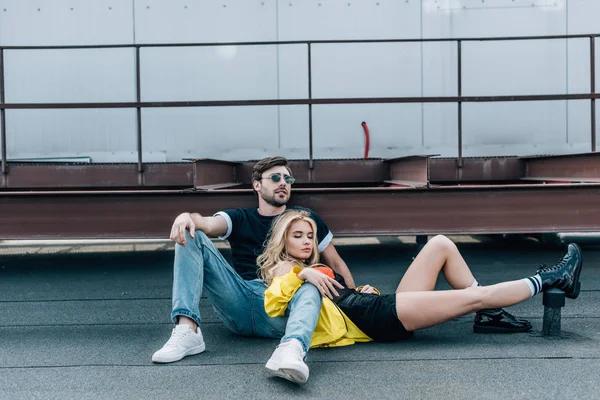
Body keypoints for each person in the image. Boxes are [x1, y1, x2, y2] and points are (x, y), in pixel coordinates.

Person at [151, 156, 356, 385]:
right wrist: (185, 217)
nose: (283, 183)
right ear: (257, 185)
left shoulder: (304, 219)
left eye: (287, 178)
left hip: (281, 309)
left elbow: (336, 263)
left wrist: (355, 299)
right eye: (275, 178)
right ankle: (187, 329)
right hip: (241, 298)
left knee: (310, 283)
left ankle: (291, 350)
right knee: (192, 233)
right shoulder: (240, 218)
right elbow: (206, 223)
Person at [262, 210, 583, 348]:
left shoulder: (315, 267)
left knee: (440, 243)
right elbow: (277, 296)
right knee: (473, 298)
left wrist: (358, 289)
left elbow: (337, 300)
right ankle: (553, 278)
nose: (306, 242)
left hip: (373, 306)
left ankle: (491, 316)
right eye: (298, 236)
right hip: (376, 319)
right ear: (284, 242)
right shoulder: (282, 268)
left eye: (310, 236)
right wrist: (302, 272)